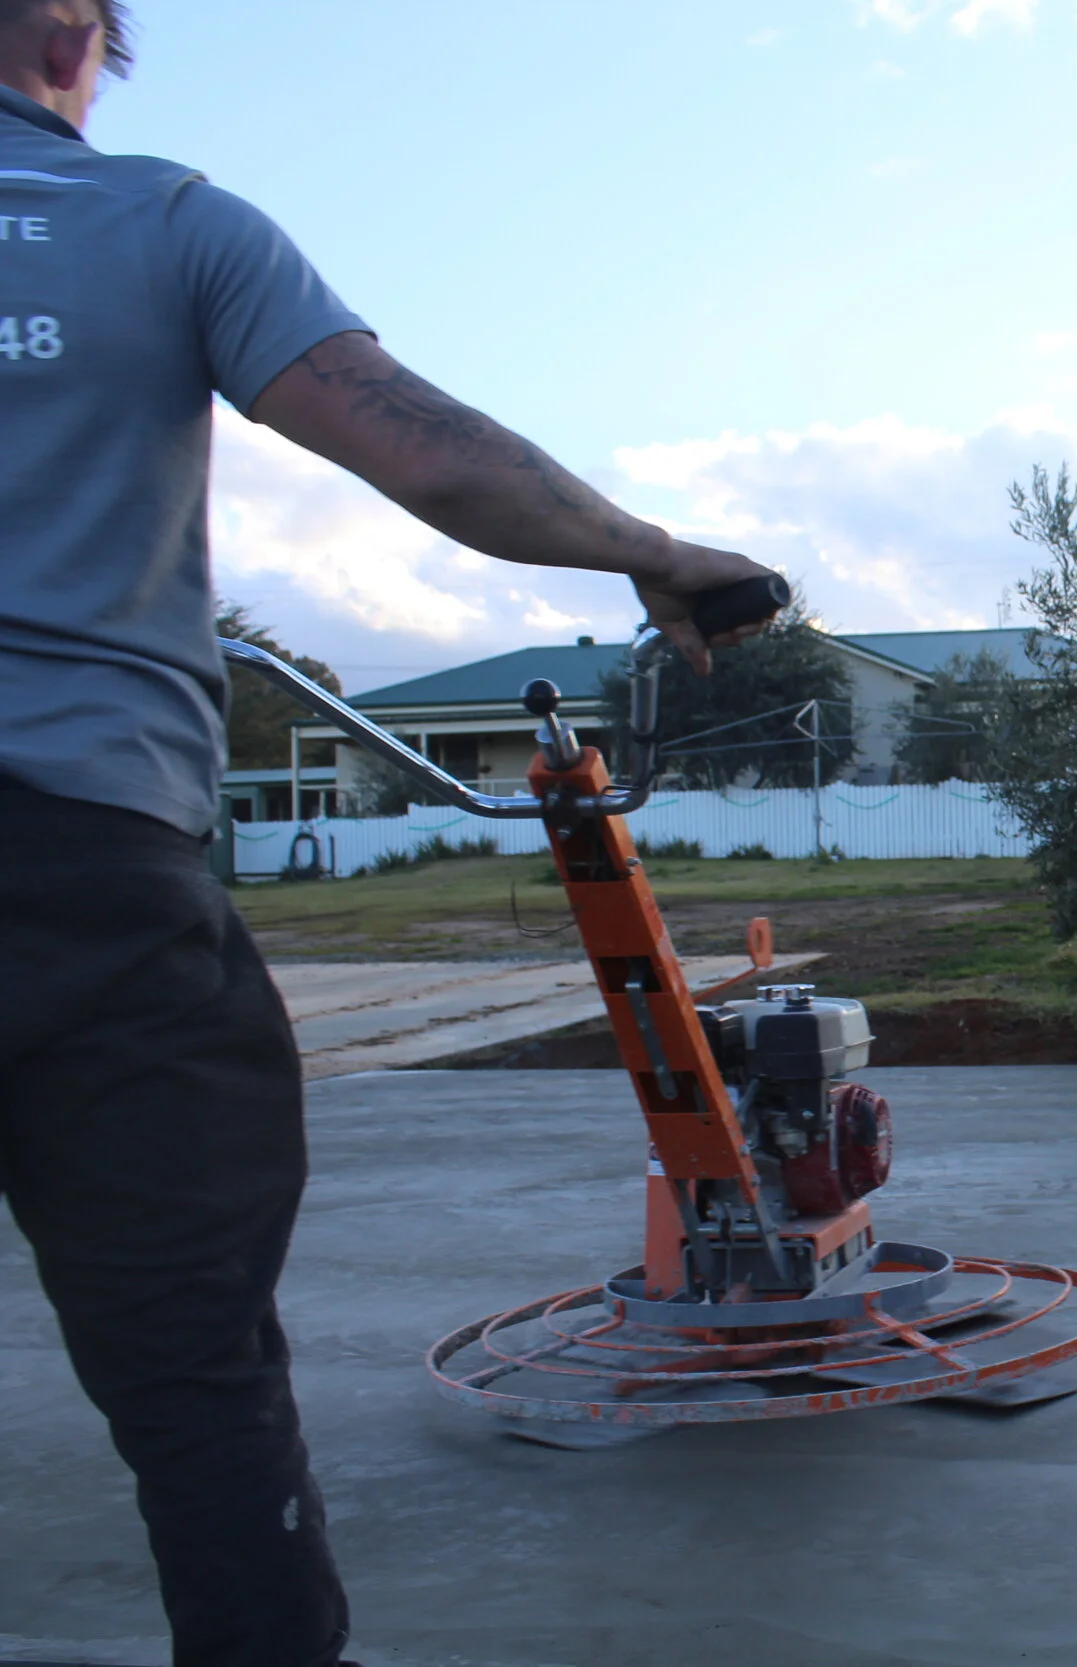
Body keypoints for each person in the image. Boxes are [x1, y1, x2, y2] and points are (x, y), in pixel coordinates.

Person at [0, 5, 783, 1662]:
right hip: (83, 894)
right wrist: (652, 549)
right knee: (198, 1399)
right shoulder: (167, 224)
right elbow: (419, 447)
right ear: (82, 42)